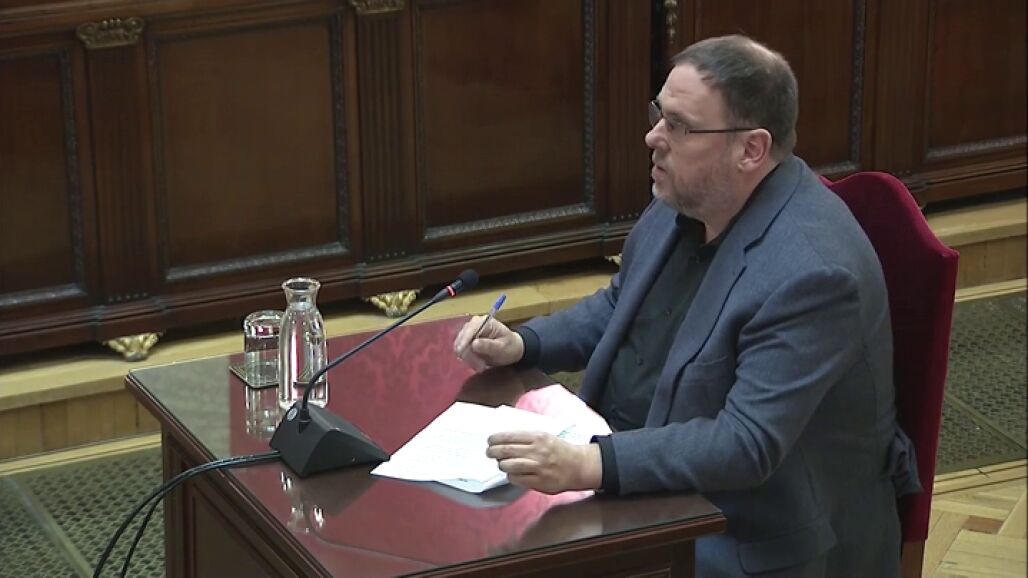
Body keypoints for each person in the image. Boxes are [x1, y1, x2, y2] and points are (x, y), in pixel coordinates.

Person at [452, 34, 921, 577]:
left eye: (679, 125)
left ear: (751, 150)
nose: (653, 137)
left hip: (742, 533)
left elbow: (745, 442)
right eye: (659, 114)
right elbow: (620, 305)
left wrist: (592, 463)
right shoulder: (689, 196)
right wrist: (525, 343)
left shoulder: (814, 274)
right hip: (634, 476)